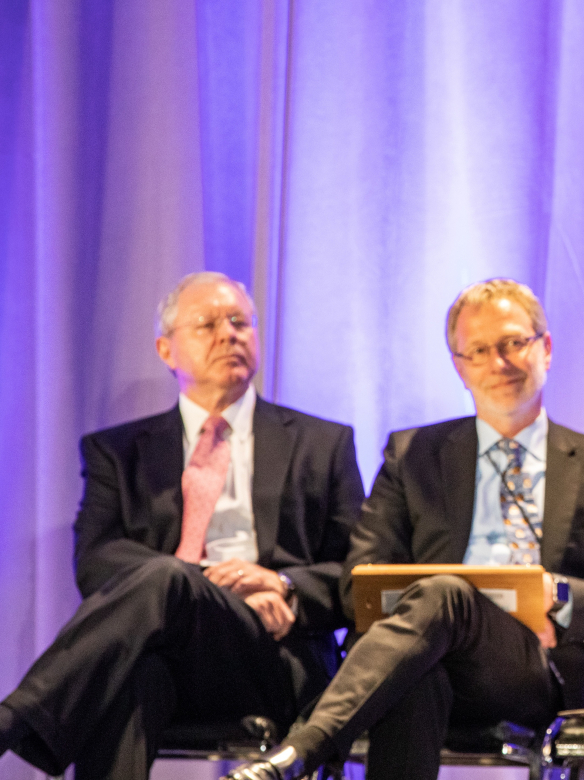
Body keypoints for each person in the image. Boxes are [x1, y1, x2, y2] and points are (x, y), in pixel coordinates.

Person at [229, 278, 584, 780]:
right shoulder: (413, 455)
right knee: (418, 663)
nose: (500, 363)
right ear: (459, 366)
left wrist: (555, 594)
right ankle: (302, 755)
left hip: (538, 668)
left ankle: (302, 752)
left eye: (515, 342)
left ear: (547, 348)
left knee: (444, 597)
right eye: (479, 350)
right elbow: (357, 581)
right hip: (430, 655)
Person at [0, 272, 365, 778]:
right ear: (166, 350)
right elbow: (96, 561)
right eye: (208, 324)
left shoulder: (322, 443)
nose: (229, 334)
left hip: (272, 653)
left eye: (240, 322)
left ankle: (13, 721)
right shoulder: (120, 451)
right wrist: (198, 582)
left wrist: (285, 584)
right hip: (171, 647)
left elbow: (360, 570)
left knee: (162, 590)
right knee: (135, 673)